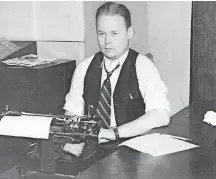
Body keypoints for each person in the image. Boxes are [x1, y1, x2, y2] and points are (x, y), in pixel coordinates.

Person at [64, 2, 170, 145]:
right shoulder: (85, 67)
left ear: (129, 33)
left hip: (131, 149)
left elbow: (161, 114)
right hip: (92, 148)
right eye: (102, 34)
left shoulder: (143, 66)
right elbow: (72, 113)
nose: (107, 41)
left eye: (114, 33)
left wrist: (115, 133)